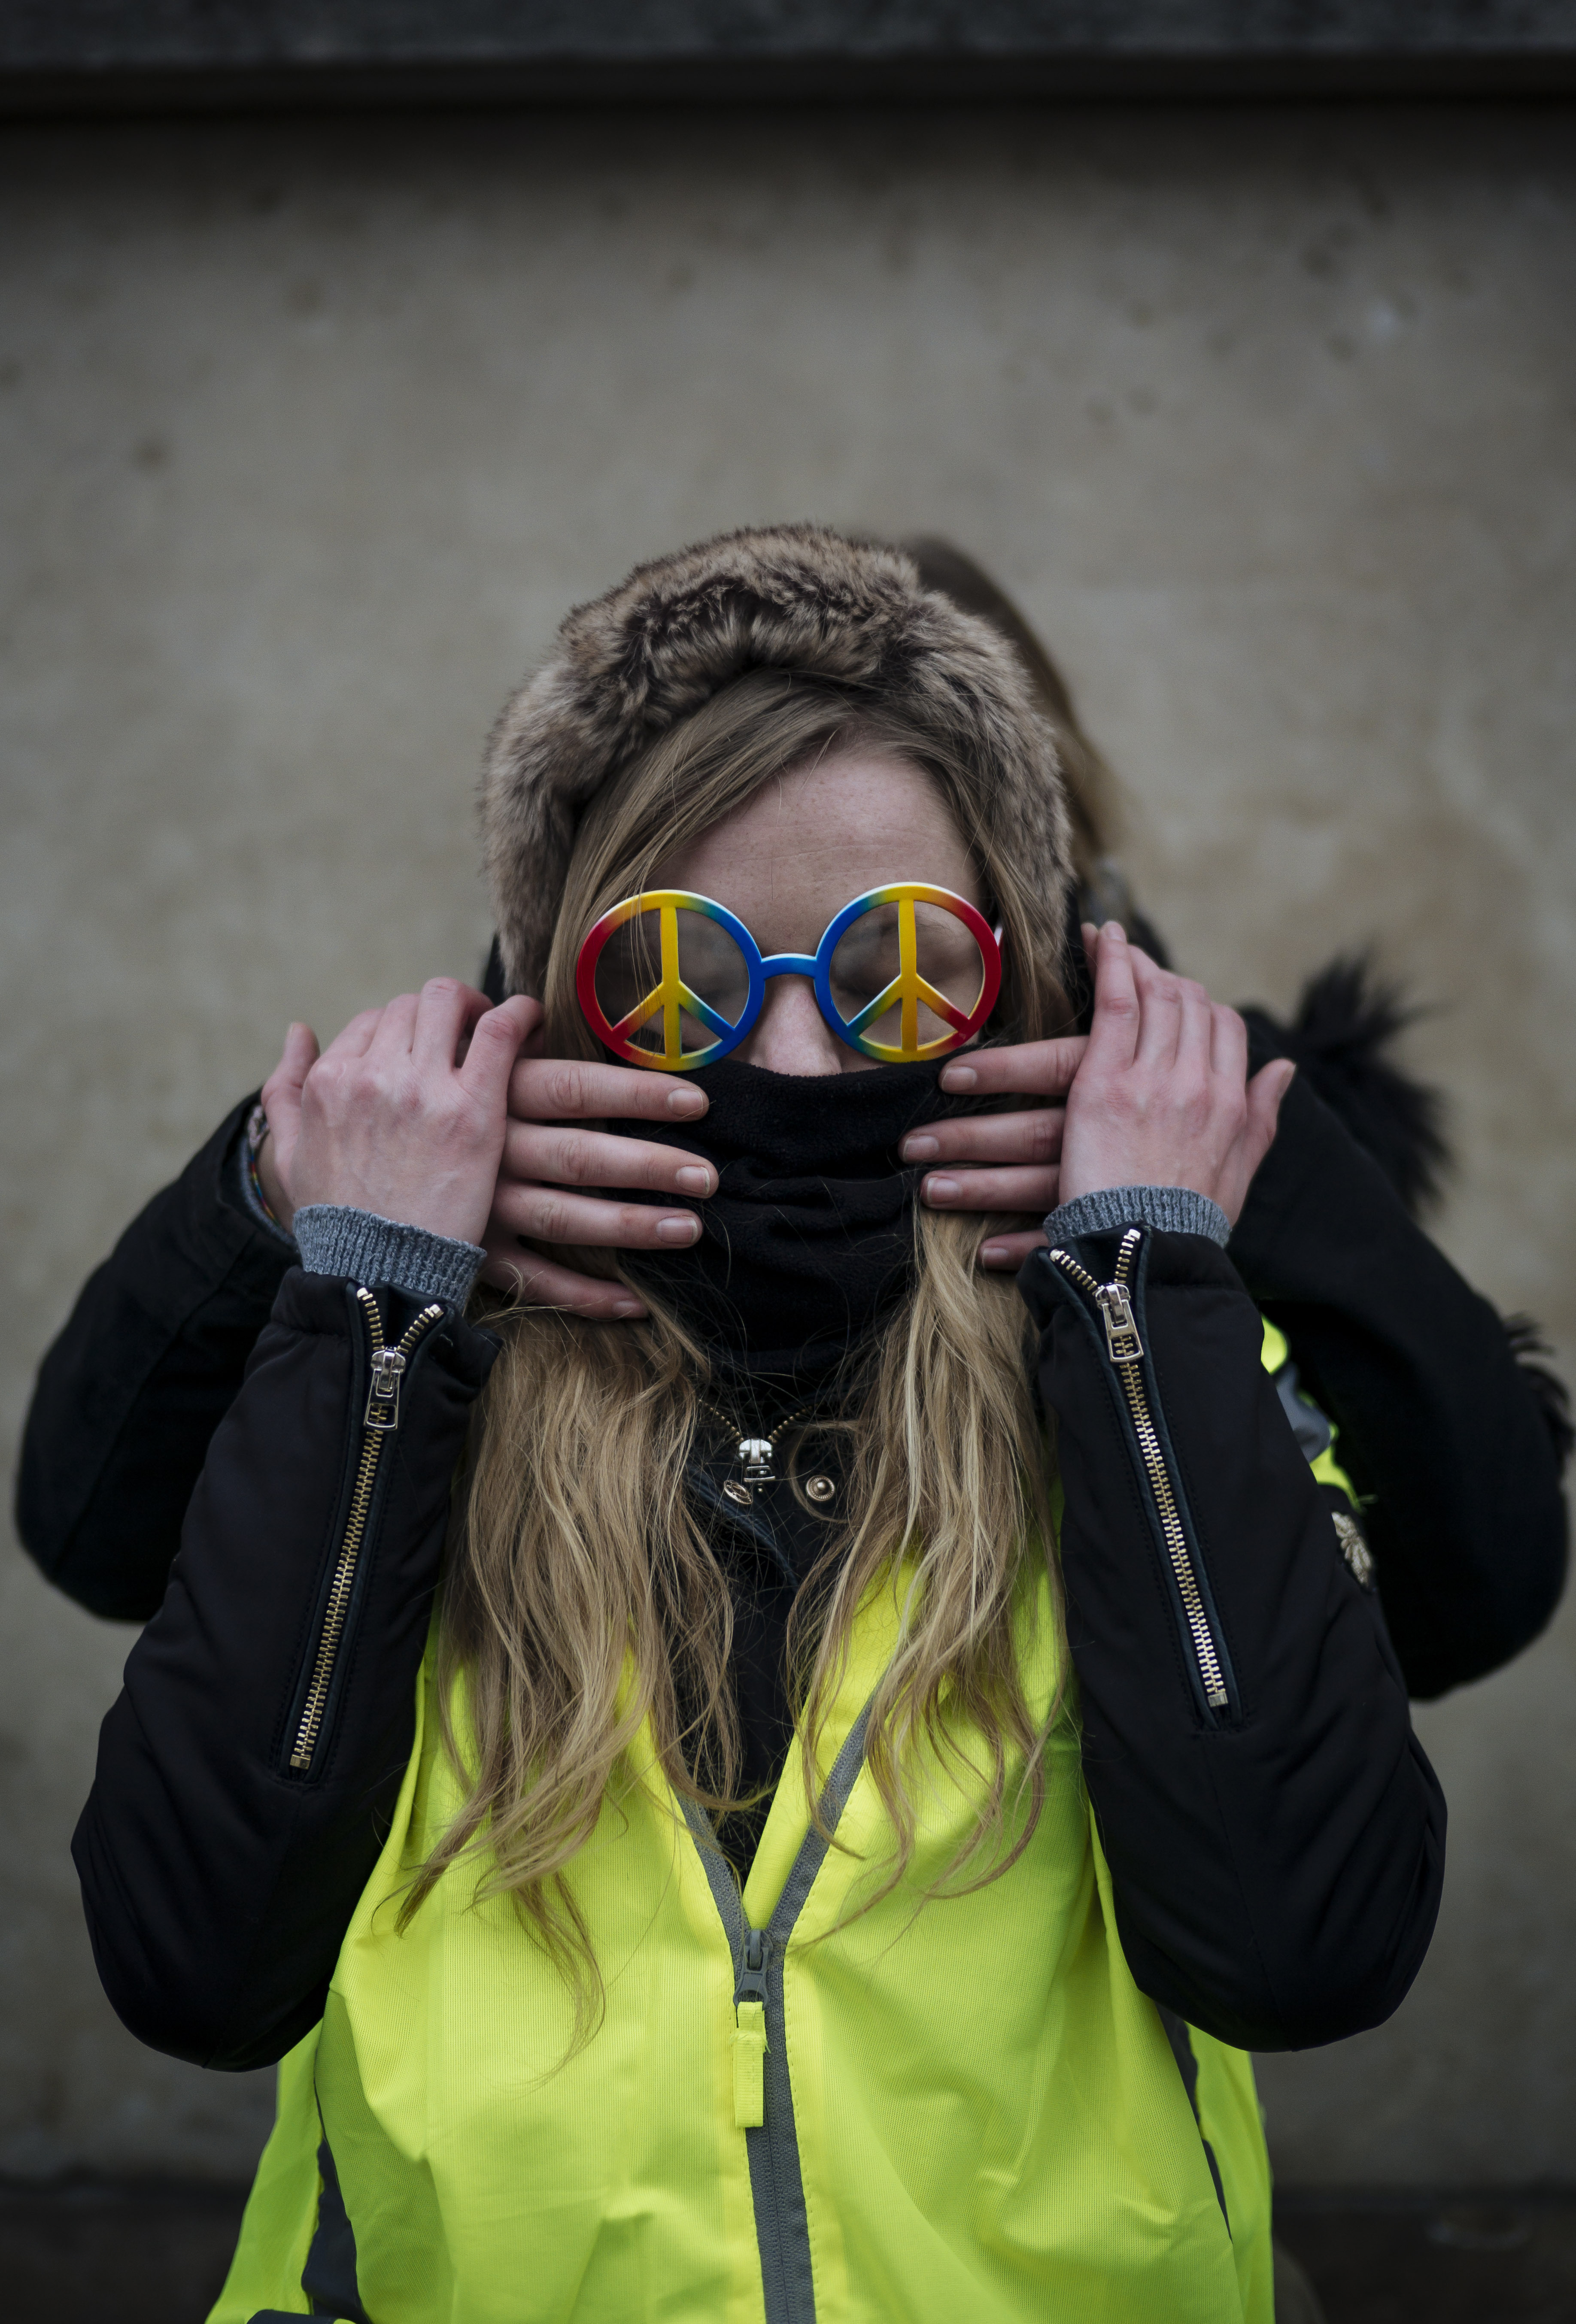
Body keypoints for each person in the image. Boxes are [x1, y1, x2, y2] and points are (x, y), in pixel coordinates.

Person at [16, 526, 1565, 2324]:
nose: (810, 1065)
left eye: (905, 966)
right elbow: (108, 1580)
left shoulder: (1135, 1305)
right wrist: (321, 1207)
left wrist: (1210, 1204)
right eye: (688, 971)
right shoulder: (453, 1291)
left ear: (1040, 936)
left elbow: (1401, 1728)